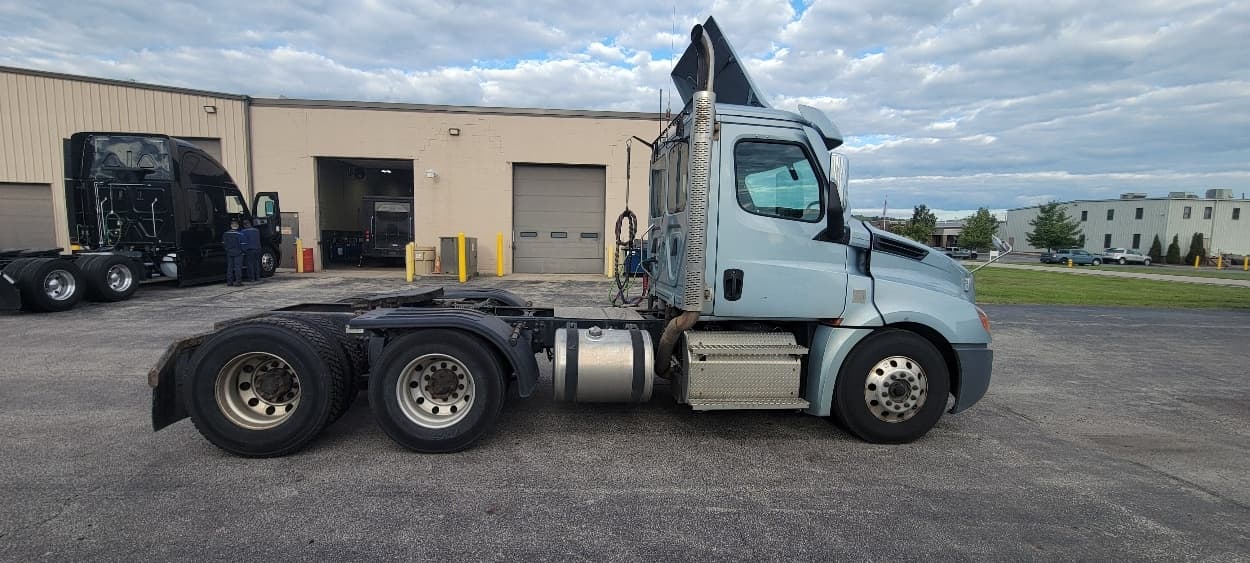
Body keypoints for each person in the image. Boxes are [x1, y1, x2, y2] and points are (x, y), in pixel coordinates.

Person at [223, 221, 244, 286]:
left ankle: (229, 282)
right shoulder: (240, 234)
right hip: (238, 253)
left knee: (230, 268)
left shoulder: (225, 234)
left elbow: (224, 244)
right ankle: (238, 282)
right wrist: (242, 251)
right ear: (237, 226)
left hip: (229, 252)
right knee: (238, 267)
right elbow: (243, 244)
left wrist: (227, 250)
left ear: (231, 226)